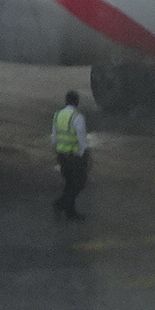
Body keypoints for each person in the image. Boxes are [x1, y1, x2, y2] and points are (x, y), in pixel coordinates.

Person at [50, 89, 91, 220]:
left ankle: (70, 211)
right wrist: (85, 155)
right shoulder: (77, 117)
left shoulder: (57, 115)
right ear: (77, 102)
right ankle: (60, 204)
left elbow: (54, 138)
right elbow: (82, 140)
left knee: (69, 183)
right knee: (79, 183)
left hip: (61, 155)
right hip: (74, 156)